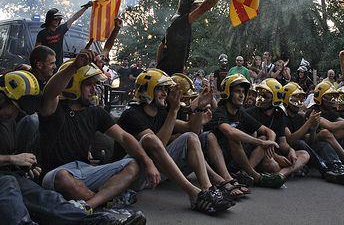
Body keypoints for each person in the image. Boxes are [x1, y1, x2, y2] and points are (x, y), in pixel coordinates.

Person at [0, 70, 143, 225]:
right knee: (9, 186)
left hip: (11, 175)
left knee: (44, 198)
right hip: (7, 179)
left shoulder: (8, 122)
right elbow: (51, 92)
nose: (15, 114)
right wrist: (11, 159)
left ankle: (91, 220)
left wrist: (21, 165)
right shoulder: (54, 110)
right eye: (14, 108)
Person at [39, 50, 160, 215]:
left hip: (84, 170)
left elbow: (124, 137)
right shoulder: (54, 107)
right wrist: (74, 66)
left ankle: (91, 206)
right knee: (63, 177)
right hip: (56, 174)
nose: (94, 90)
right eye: (89, 84)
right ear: (73, 84)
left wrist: (148, 162)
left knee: (133, 164)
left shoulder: (95, 112)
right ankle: (107, 205)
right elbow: (49, 92)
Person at [113, 68, 233, 214]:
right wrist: (174, 110)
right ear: (147, 90)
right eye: (160, 89)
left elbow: (191, 129)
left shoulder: (161, 112)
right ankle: (198, 193)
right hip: (132, 175)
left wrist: (200, 108)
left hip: (153, 173)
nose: (165, 93)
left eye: (165, 89)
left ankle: (207, 190)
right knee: (173, 139)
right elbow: (157, 145)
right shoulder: (132, 114)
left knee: (191, 137)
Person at [204, 74, 286, 188]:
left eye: (243, 92)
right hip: (219, 161)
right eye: (238, 91)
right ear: (228, 93)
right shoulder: (220, 112)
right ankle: (255, 176)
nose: (242, 95)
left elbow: (269, 132)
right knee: (236, 137)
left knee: (263, 138)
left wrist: (269, 145)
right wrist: (261, 143)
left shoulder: (241, 112)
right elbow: (230, 132)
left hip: (236, 159)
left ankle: (244, 174)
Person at [282, 82, 344, 185]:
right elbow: (291, 139)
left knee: (321, 143)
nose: (299, 102)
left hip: (303, 149)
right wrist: (308, 123)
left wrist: (313, 129)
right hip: (286, 150)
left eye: (301, 98)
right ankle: (326, 170)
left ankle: (337, 165)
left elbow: (310, 141)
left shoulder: (299, 117)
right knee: (301, 143)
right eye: (295, 98)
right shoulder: (282, 116)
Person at [156, 0, 233, 75]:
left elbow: (161, 46)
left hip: (167, 72)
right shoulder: (180, 22)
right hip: (169, 73)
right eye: (195, 6)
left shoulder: (176, 22)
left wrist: (160, 66)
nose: (197, 8)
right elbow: (204, 8)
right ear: (188, 7)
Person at [245, 78, 310, 179]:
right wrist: (276, 157)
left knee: (304, 154)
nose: (261, 97)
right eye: (260, 94)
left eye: (265, 95)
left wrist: (290, 151)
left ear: (275, 97)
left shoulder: (279, 114)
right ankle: (286, 171)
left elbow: (282, 142)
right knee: (272, 164)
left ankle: (280, 175)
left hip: (274, 151)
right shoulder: (250, 112)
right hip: (258, 153)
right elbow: (257, 142)